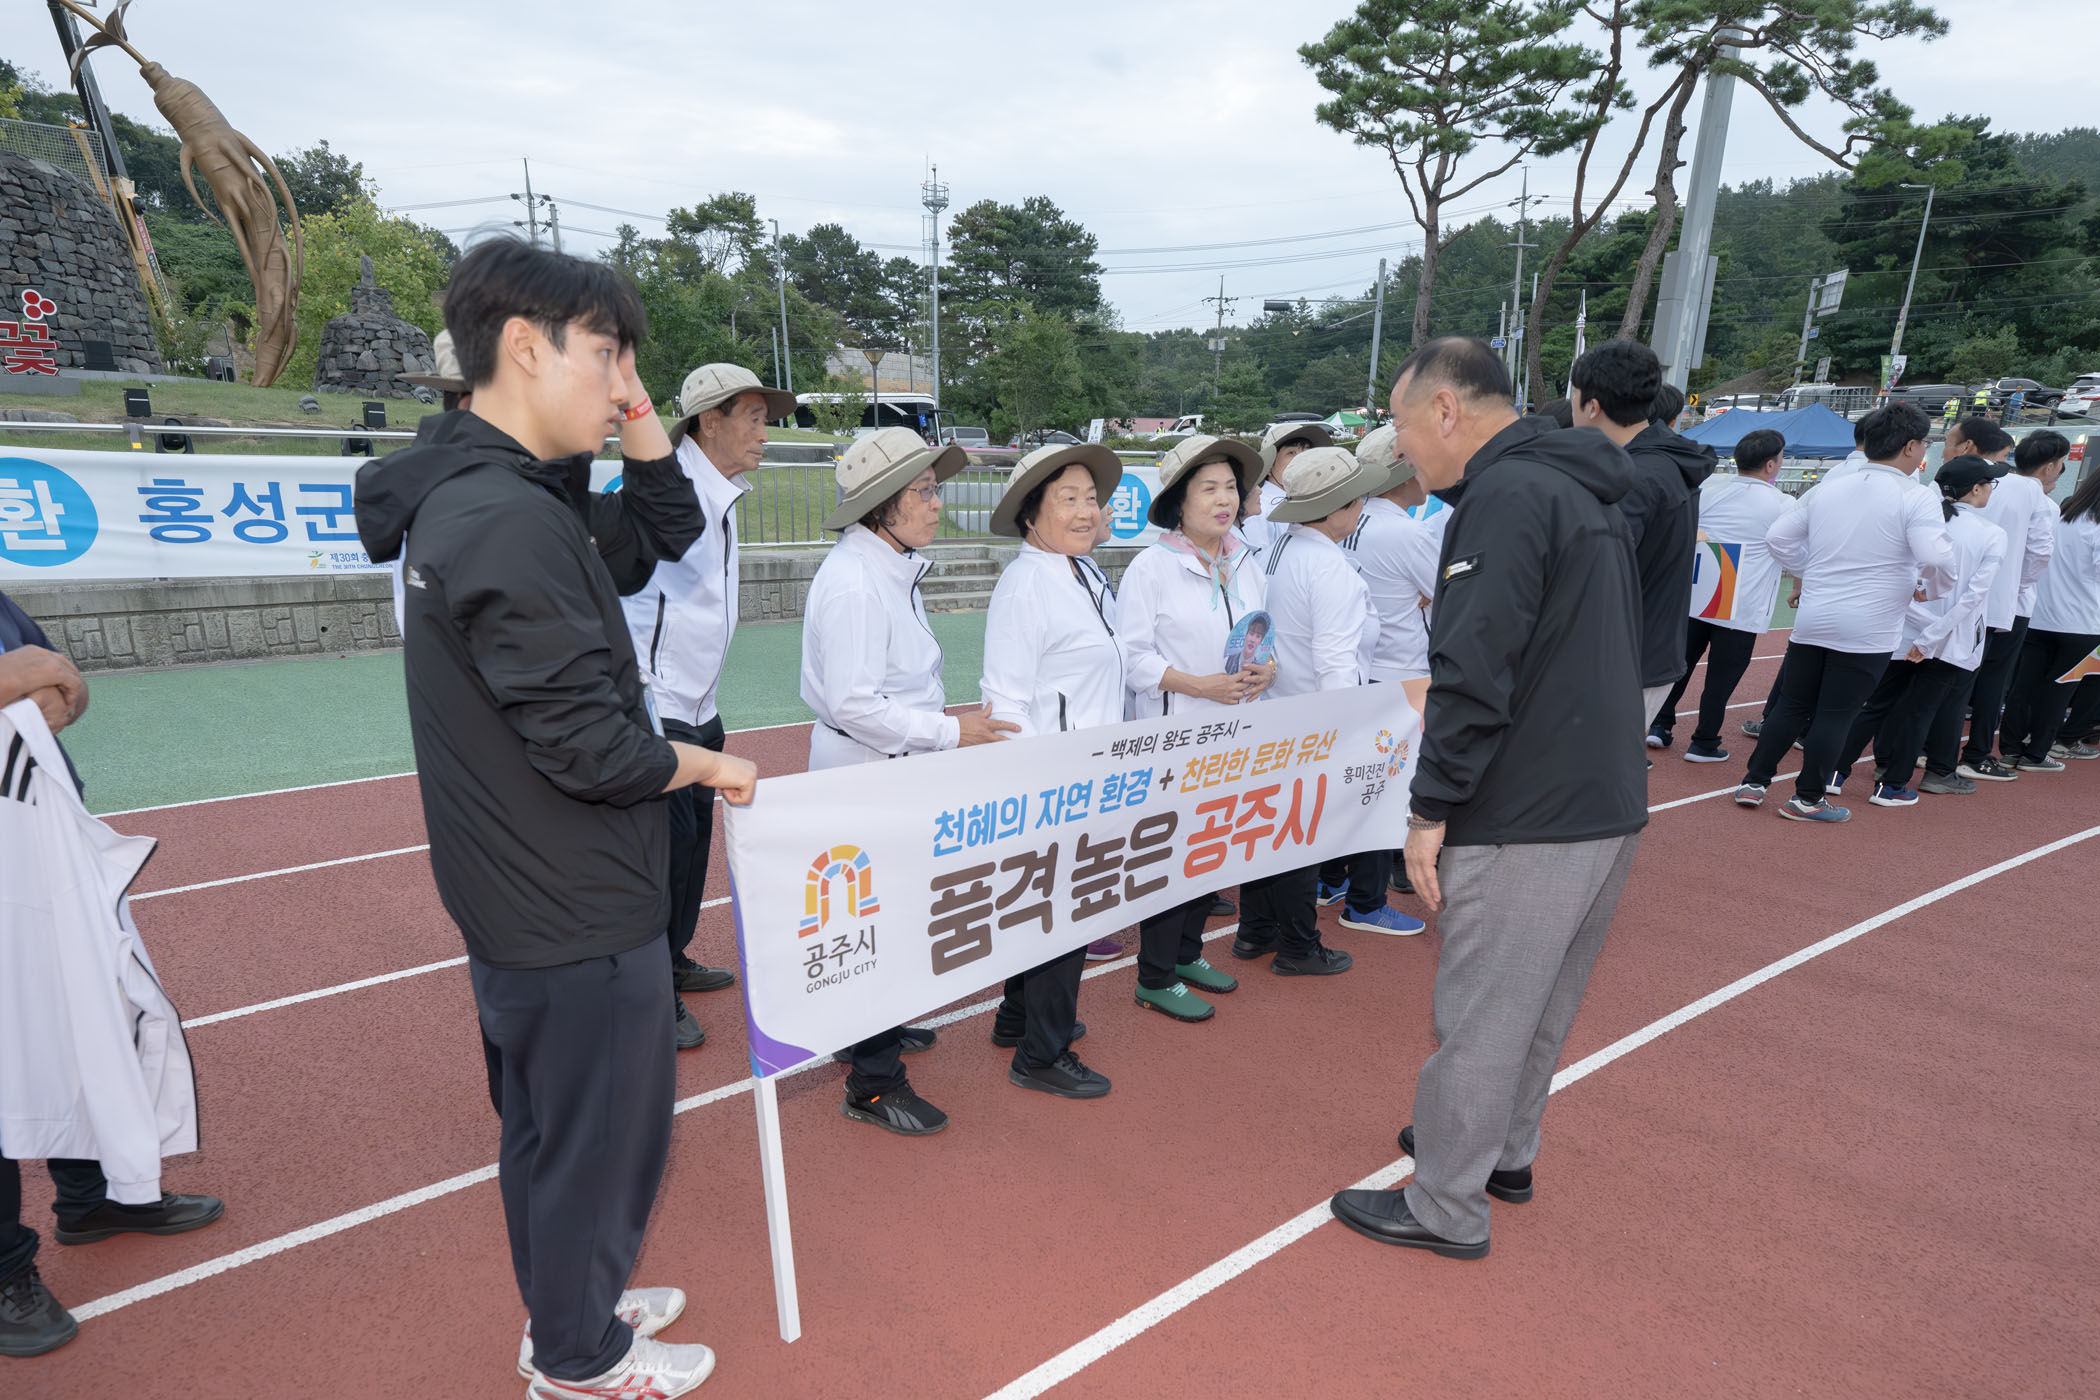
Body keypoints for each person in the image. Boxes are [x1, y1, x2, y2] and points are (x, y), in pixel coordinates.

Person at [353, 239, 755, 1400]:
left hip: (533, 886)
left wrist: (633, 406)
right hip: (568, 892)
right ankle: (579, 1355)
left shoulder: (514, 491)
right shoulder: (506, 519)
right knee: (597, 1134)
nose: (625, 386)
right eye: (607, 354)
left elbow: (664, 527)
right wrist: (706, 764)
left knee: (550, 1126)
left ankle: (571, 1307)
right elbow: (593, 747)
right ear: (525, 348)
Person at [1329, 336, 1646, 1259]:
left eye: (1399, 424)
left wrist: (1430, 809)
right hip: (1602, 796)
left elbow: (1472, 672)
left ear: (1445, 409)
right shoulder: (1580, 485)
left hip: (1528, 805)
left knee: (1483, 1013)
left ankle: (1445, 1205)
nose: (1398, 448)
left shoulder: (1504, 498)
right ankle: (1502, 1152)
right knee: (1540, 1003)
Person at [0, 595, 224, 1361]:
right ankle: (5, 1271)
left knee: (82, 1021)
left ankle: (92, 1199)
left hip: (40, 840)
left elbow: (59, 678)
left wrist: (66, 692)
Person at [800, 428, 1015, 1134]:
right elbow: (856, 705)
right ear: (881, 505)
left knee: (880, 920)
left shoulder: (888, 566)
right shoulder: (858, 583)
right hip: (868, 772)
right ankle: (873, 1082)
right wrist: (952, 733)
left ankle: (869, 1030)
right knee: (874, 925)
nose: (936, 503)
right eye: (923, 491)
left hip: (885, 769)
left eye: (934, 489)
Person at [623, 364, 796, 1053]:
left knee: (692, 848)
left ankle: (672, 959)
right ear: (708, 420)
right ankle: (649, 994)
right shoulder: (665, 494)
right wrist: (636, 691)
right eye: (752, 417)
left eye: (765, 419)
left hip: (701, 704)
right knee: (660, 859)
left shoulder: (722, 495)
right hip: (656, 703)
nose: (764, 433)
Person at [978, 444, 1129, 1098]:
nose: (1086, 510)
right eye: (1068, 499)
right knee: (1062, 914)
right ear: (1030, 512)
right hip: (1056, 783)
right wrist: (1036, 793)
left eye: (1091, 498)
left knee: (1048, 909)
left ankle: (1018, 1016)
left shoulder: (1082, 572)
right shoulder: (1027, 585)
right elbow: (1005, 702)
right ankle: (1042, 1053)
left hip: (1092, 772)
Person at [388, 329, 705, 634]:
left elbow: (670, 522)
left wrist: (629, 385)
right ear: (473, 406)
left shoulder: (542, 497)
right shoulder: (484, 516)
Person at [1734, 402, 1955, 823]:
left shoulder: (1829, 486)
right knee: (1837, 713)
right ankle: (1808, 798)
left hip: (1815, 615)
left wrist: (1808, 571)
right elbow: (1936, 558)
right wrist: (1928, 589)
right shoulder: (1916, 496)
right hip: (1869, 624)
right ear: (1911, 446)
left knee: (1791, 705)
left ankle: (1755, 781)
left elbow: (1778, 538)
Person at [1117, 434, 1274, 1022]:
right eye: (1208, 489)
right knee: (1172, 855)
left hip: (1234, 736)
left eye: (1230, 487)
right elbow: (1133, 659)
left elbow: (1262, 632)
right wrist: (1199, 686)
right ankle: (1154, 975)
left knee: (1211, 847)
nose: (1224, 499)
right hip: (1175, 737)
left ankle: (1186, 955)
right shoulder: (1151, 568)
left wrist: (1269, 670)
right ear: (1179, 502)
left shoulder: (1244, 561)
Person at [1246, 443, 1406, 964]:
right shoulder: (1328, 566)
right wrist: (1347, 737)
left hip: (1278, 711)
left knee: (1272, 834)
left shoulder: (1278, 550)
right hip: (1316, 720)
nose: (1362, 506)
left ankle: (1256, 930)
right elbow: (1335, 663)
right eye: (1356, 498)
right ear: (1336, 508)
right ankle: (1298, 945)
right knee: (1302, 839)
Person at [1828, 455, 2007, 805]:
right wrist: (1932, 636)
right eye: (1990, 483)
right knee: (1919, 713)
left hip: (1904, 631)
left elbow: (1897, 578)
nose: (1991, 489)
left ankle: (1832, 772)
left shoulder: (1917, 521)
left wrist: (1920, 628)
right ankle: (1891, 786)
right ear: (1975, 489)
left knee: (1876, 705)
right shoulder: (1991, 534)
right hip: (1948, 639)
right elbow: (1974, 597)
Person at [1324, 425, 1435, 928]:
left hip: (1361, 673)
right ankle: (1365, 903)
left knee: (1352, 789)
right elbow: (1448, 593)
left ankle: (1332, 880)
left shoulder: (1352, 521)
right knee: (1383, 796)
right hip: (1399, 677)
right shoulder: (1405, 532)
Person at [1582, 342, 1716, 748]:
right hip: (1645, 649)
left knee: (1585, 777)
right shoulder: (1664, 462)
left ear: (1591, 405)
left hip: (1620, 659)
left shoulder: (1634, 476)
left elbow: (1593, 572)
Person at [1651, 429, 1796, 762]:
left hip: (1699, 593)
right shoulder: (1782, 503)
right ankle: (1704, 741)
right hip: (1742, 603)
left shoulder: (1710, 490)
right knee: (1722, 678)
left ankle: (1659, 724)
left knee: (1680, 664)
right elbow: (1792, 550)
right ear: (1771, 465)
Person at [1942, 425, 2062, 783]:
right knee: (1992, 682)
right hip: (2005, 604)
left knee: (1952, 678)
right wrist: (2014, 586)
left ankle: (1931, 752)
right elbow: (2040, 553)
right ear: (2050, 466)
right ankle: (1976, 754)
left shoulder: (1977, 481)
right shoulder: (2035, 495)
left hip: (1958, 596)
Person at [1994, 465, 2100, 771]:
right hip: (2082, 622)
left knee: (2023, 688)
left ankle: (2010, 750)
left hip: (2039, 616)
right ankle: (2037, 754)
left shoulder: (2061, 515)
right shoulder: (2094, 524)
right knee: (2059, 691)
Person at [1238, 420, 1333, 553]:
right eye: (1291, 452)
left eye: (1307, 451)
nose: (1303, 459)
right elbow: (1259, 560)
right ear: (1269, 466)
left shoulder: (1313, 500)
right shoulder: (1259, 509)